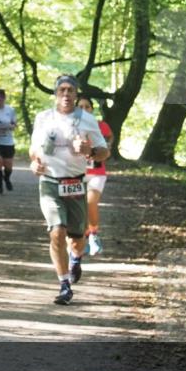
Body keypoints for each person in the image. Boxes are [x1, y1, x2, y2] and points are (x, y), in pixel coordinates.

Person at [29, 75, 109, 305]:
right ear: (56, 94)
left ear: (76, 94)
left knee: (76, 239)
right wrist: (35, 163)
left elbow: (104, 152)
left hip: (75, 184)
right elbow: (35, 151)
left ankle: (75, 258)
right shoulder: (43, 118)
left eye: (70, 90)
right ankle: (64, 284)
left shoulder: (87, 119)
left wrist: (90, 151)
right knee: (57, 230)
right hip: (50, 182)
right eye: (62, 90)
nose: (66, 94)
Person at [77, 96, 114, 256]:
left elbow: (109, 139)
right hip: (77, 172)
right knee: (80, 207)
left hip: (97, 173)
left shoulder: (101, 126)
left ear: (92, 109)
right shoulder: (71, 126)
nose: (84, 110)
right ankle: (84, 236)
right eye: (81, 107)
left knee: (90, 202)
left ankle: (94, 235)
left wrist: (106, 148)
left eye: (87, 107)